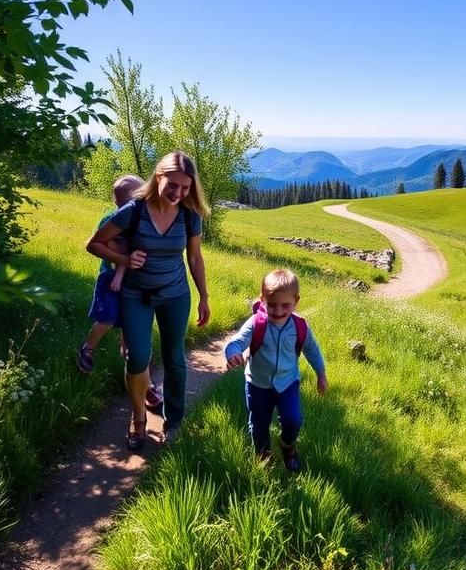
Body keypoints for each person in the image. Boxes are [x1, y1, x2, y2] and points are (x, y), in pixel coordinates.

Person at [86, 151, 211, 449]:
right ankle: (139, 416)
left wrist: (204, 297)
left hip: (175, 295)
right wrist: (124, 259)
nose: (178, 193)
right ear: (158, 177)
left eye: (185, 188)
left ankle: (175, 420)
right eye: (173, 185)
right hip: (136, 295)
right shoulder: (134, 211)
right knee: (138, 357)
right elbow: (94, 244)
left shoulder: (189, 214)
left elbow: (194, 257)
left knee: (175, 359)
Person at [224, 269, 328, 471]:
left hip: (288, 383)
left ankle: (288, 445)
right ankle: (263, 454)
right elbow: (235, 342)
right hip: (257, 384)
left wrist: (321, 374)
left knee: (293, 420)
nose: (278, 311)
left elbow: (312, 350)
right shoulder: (256, 324)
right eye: (271, 305)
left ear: (296, 301)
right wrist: (233, 354)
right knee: (259, 423)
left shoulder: (300, 327)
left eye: (285, 305)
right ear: (262, 300)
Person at [78, 174, 163, 412]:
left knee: (135, 339)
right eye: (140, 193)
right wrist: (119, 268)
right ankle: (87, 348)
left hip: (134, 283)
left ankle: (146, 386)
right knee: (107, 318)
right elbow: (100, 245)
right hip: (111, 280)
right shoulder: (114, 219)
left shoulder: (143, 218)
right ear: (126, 201)